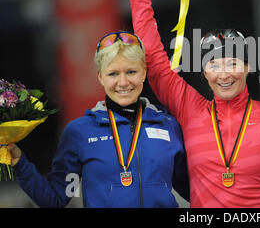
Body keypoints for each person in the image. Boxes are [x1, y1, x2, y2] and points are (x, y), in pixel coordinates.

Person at [128, 0, 260, 208]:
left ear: (248, 67)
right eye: (214, 65)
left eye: (233, 63)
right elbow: (154, 62)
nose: (224, 74)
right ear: (204, 72)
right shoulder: (190, 109)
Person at [7, 31, 189, 207]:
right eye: (113, 74)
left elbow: (194, 190)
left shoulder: (167, 125)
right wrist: (20, 163)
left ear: (143, 73)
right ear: (100, 77)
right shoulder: (79, 132)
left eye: (131, 72)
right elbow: (54, 199)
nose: (123, 82)